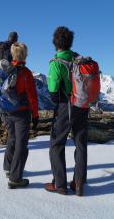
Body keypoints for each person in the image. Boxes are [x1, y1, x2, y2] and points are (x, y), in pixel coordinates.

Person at [44, 27, 89, 196]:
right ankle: (79, 183)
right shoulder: (79, 60)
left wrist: (57, 102)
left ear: (55, 42)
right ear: (70, 42)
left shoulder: (56, 63)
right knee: (80, 143)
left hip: (65, 106)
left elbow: (53, 92)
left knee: (56, 144)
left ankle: (60, 185)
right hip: (82, 105)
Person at [3, 42, 39, 189]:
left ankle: (8, 167)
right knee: (21, 145)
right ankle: (15, 178)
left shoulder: (5, 69)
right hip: (21, 112)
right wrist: (35, 116)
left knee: (11, 138)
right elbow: (32, 96)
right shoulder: (25, 73)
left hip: (6, 111)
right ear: (24, 55)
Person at [0, 31, 19, 131]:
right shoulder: (10, 47)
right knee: (5, 95)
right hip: (3, 73)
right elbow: (9, 62)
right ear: (14, 38)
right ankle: (7, 122)